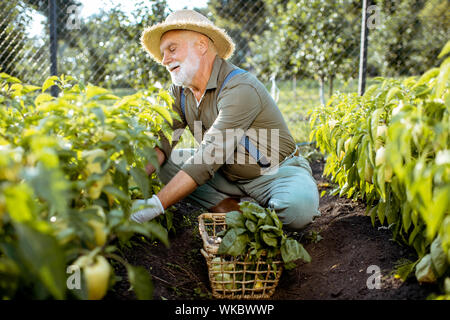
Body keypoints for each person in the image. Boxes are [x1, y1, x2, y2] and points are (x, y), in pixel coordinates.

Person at [130, 9, 320, 230]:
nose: (164, 60)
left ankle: (265, 215)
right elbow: (161, 143)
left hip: (274, 172)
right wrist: (123, 187)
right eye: (163, 53)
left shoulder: (239, 87)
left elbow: (211, 154)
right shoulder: (179, 92)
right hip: (226, 175)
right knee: (166, 164)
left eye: (172, 49)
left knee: (298, 209)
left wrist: (152, 207)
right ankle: (233, 211)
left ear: (201, 45)